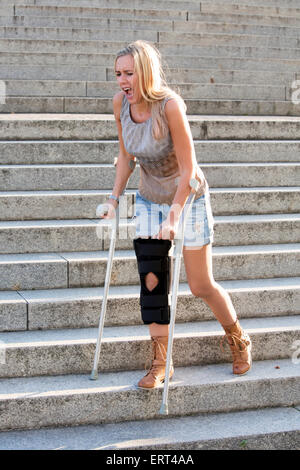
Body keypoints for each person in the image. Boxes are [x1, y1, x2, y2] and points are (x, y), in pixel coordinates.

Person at [100, 40, 252, 389]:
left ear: (146, 73)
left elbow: (189, 170)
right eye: (118, 74)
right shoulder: (120, 103)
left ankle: (238, 338)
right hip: (151, 200)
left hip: (189, 199)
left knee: (200, 285)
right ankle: (160, 362)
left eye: (129, 73)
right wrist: (113, 198)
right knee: (152, 282)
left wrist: (175, 215)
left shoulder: (169, 106)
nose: (122, 80)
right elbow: (126, 157)